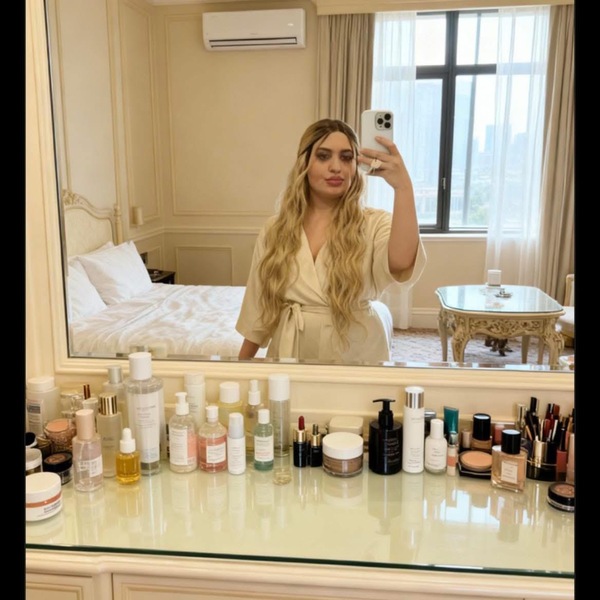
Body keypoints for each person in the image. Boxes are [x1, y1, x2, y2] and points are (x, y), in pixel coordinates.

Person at [236, 118, 426, 363]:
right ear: (305, 162)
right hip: (292, 353)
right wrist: (240, 368)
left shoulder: (373, 223)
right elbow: (259, 307)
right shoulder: (276, 229)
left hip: (356, 352)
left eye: (346, 158)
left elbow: (402, 262)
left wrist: (403, 188)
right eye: (323, 156)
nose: (336, 167)